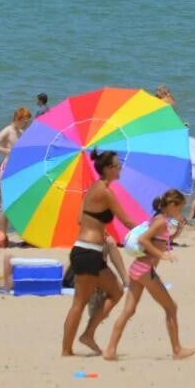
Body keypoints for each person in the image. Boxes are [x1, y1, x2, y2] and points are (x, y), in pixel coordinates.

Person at [61, 149, 138, 357]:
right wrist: (151, 232)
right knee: (82, 302)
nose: (120, 168)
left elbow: (81, 219)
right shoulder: (104, 192)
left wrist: (97, 228)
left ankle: (82, 338)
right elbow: (126, 221)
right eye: (117, 165)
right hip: (88, 253)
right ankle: (73, 346)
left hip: (85, 250)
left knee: (112, 293)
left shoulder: (93, 189)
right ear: (107, 169)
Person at [102, 191, 195, 361]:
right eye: (180, 208)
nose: (180, 212)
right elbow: (143, 240)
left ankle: (110, 350)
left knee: (128, 311)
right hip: (145, 270)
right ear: (172, 205)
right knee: (171, 308)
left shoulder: (158, 219)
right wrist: (162, 256)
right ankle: (177, 350)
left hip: (137, 268)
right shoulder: (160, 221)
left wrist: (176, 233)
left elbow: (159, 241)